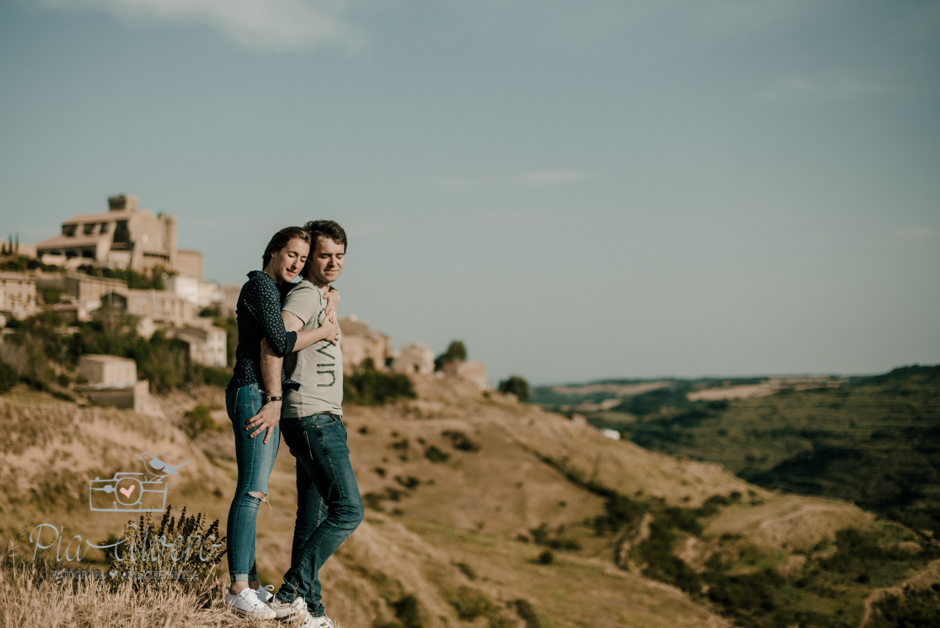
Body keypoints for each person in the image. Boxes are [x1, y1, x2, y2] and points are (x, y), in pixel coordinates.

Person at [246, 220, 362, 628]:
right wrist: (275, 399)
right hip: (312, 416)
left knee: (310, 517)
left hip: (323, 415)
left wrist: (331, 298)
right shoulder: (305, 295)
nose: (333, 263)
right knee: (348, 511)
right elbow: (274, 342)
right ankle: (291, 591)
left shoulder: (322, 294)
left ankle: (309, 610)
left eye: (340, 257)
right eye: (325, 255)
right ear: (311, 256)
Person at [223, 226, 340, 620]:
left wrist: (332, 297)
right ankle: (239, 587)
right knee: (251, 491)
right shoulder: (259, 286)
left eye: (303, 259)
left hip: (261, 394)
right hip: (253, 392)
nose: (297, 263)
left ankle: (250, 586)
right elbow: (279, 340)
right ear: (273, 252)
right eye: (291, 254)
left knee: (257, 492)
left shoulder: (276, 292)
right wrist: (325, 330)